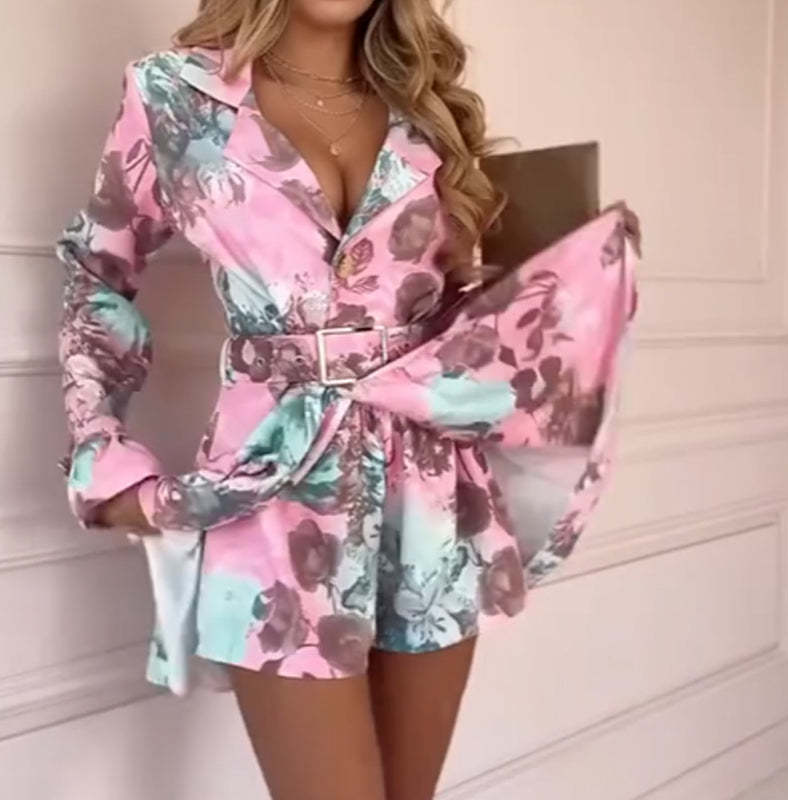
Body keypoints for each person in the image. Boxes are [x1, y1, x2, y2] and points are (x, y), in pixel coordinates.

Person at [54, 1, 640, 799]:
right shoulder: (173, 94)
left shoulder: (428, 110)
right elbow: (96, 273)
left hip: (433, 495)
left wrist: (571, 281)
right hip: (271, 491)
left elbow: (465, 315)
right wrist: (102, 453)